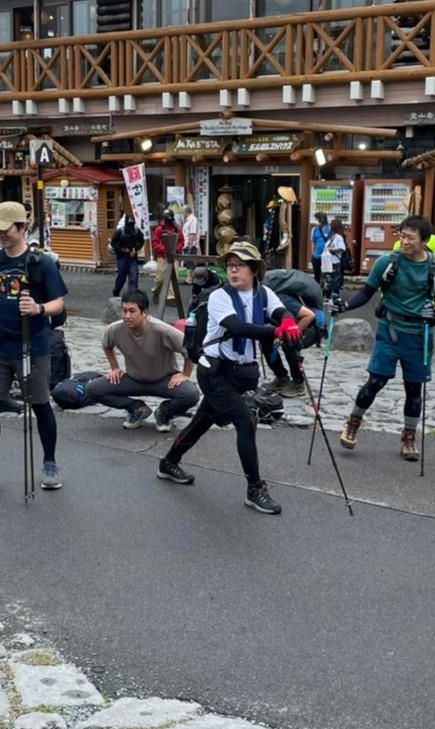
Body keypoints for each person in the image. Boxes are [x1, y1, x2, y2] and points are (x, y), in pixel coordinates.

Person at [158, 240, 298, 515]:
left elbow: (281, 312)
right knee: (246, 422)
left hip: (238, 374)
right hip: (215, 372)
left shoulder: (264, 293)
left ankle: (168, 462)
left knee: (202, 420)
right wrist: (276, 332)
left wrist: (288, 321)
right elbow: (238, 327)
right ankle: (254, 488)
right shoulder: (220, 297)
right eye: (230, 266)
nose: (233, 271)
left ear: (254, 269)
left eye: (240, 265)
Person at [0, 202, 68, 494]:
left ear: (21, 227)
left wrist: (38, 308)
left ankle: (49, 463)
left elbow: (59, 303)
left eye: (4, 229)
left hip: (33, 345)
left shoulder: (41, 262)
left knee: (41, 405)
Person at [337, 216, 435, 461]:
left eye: (410, 237)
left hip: (419, 334)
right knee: (376, 381)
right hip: (389, 329)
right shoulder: (387, 262)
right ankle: (353, 422)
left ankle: (409, 436)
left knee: (414, 389)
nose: (404, 241)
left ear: (425, 241)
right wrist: (344, 306)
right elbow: (366, 293)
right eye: (402, 236)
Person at [86, 290, 200, 433]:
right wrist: (114, 367)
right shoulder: (115, 329)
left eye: (132, 311)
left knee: (191, 394)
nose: (127, 316)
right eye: (124, 311)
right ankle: (137, 408)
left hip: (164, 380)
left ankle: (164, 412)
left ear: (144, 312)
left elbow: (189, 350)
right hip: (133, 379)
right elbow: (107, 346)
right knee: (93, 389)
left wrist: (185, 375)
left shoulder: (162, 330)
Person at [262, 268, 324, 398]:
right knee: (265, 338)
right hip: (290, 324)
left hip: (310, 326)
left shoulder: (282, 299)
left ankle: (298, 383)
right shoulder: (263, 297)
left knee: (289, 341)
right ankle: (281, 378)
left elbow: (309, 315)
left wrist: (287, 333)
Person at [150, 210, 183, 308]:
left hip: (174, 255)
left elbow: (181, 241)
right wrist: (164, 249)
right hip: (163, 256)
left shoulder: (176, 229)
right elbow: (155, 242)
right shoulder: (159, 229)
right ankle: (155, 291)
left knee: (174, 277)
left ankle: (170, 297)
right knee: (160, 277)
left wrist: (177, 248)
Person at [110, 215, 145, 296]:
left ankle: (133, 294)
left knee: (134, 277)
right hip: (122, 257)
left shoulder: (136, 230)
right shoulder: (120, 231)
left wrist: (135, 249)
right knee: (121, 277)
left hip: (132, 257)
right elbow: (113, 243)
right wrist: (122, 249)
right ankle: (116, 291)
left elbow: (141, 241)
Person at [320, 218, 348, 309]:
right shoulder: (334, 236)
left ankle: (332, 297)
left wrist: (331, 249)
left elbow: (342, 248)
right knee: (331, 279)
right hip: (330, 261)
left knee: (332, 280)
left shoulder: (337, 237)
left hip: (332, 261)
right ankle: (330, 297)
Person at [310, 212, 331, 284]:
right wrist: (312, 253)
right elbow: (313, 242)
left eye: (318, 219)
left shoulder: (330, 228)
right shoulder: (315, 229)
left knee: (327, 275)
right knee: (317, 275)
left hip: (327, 256)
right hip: (316, 255)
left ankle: (326, 289)